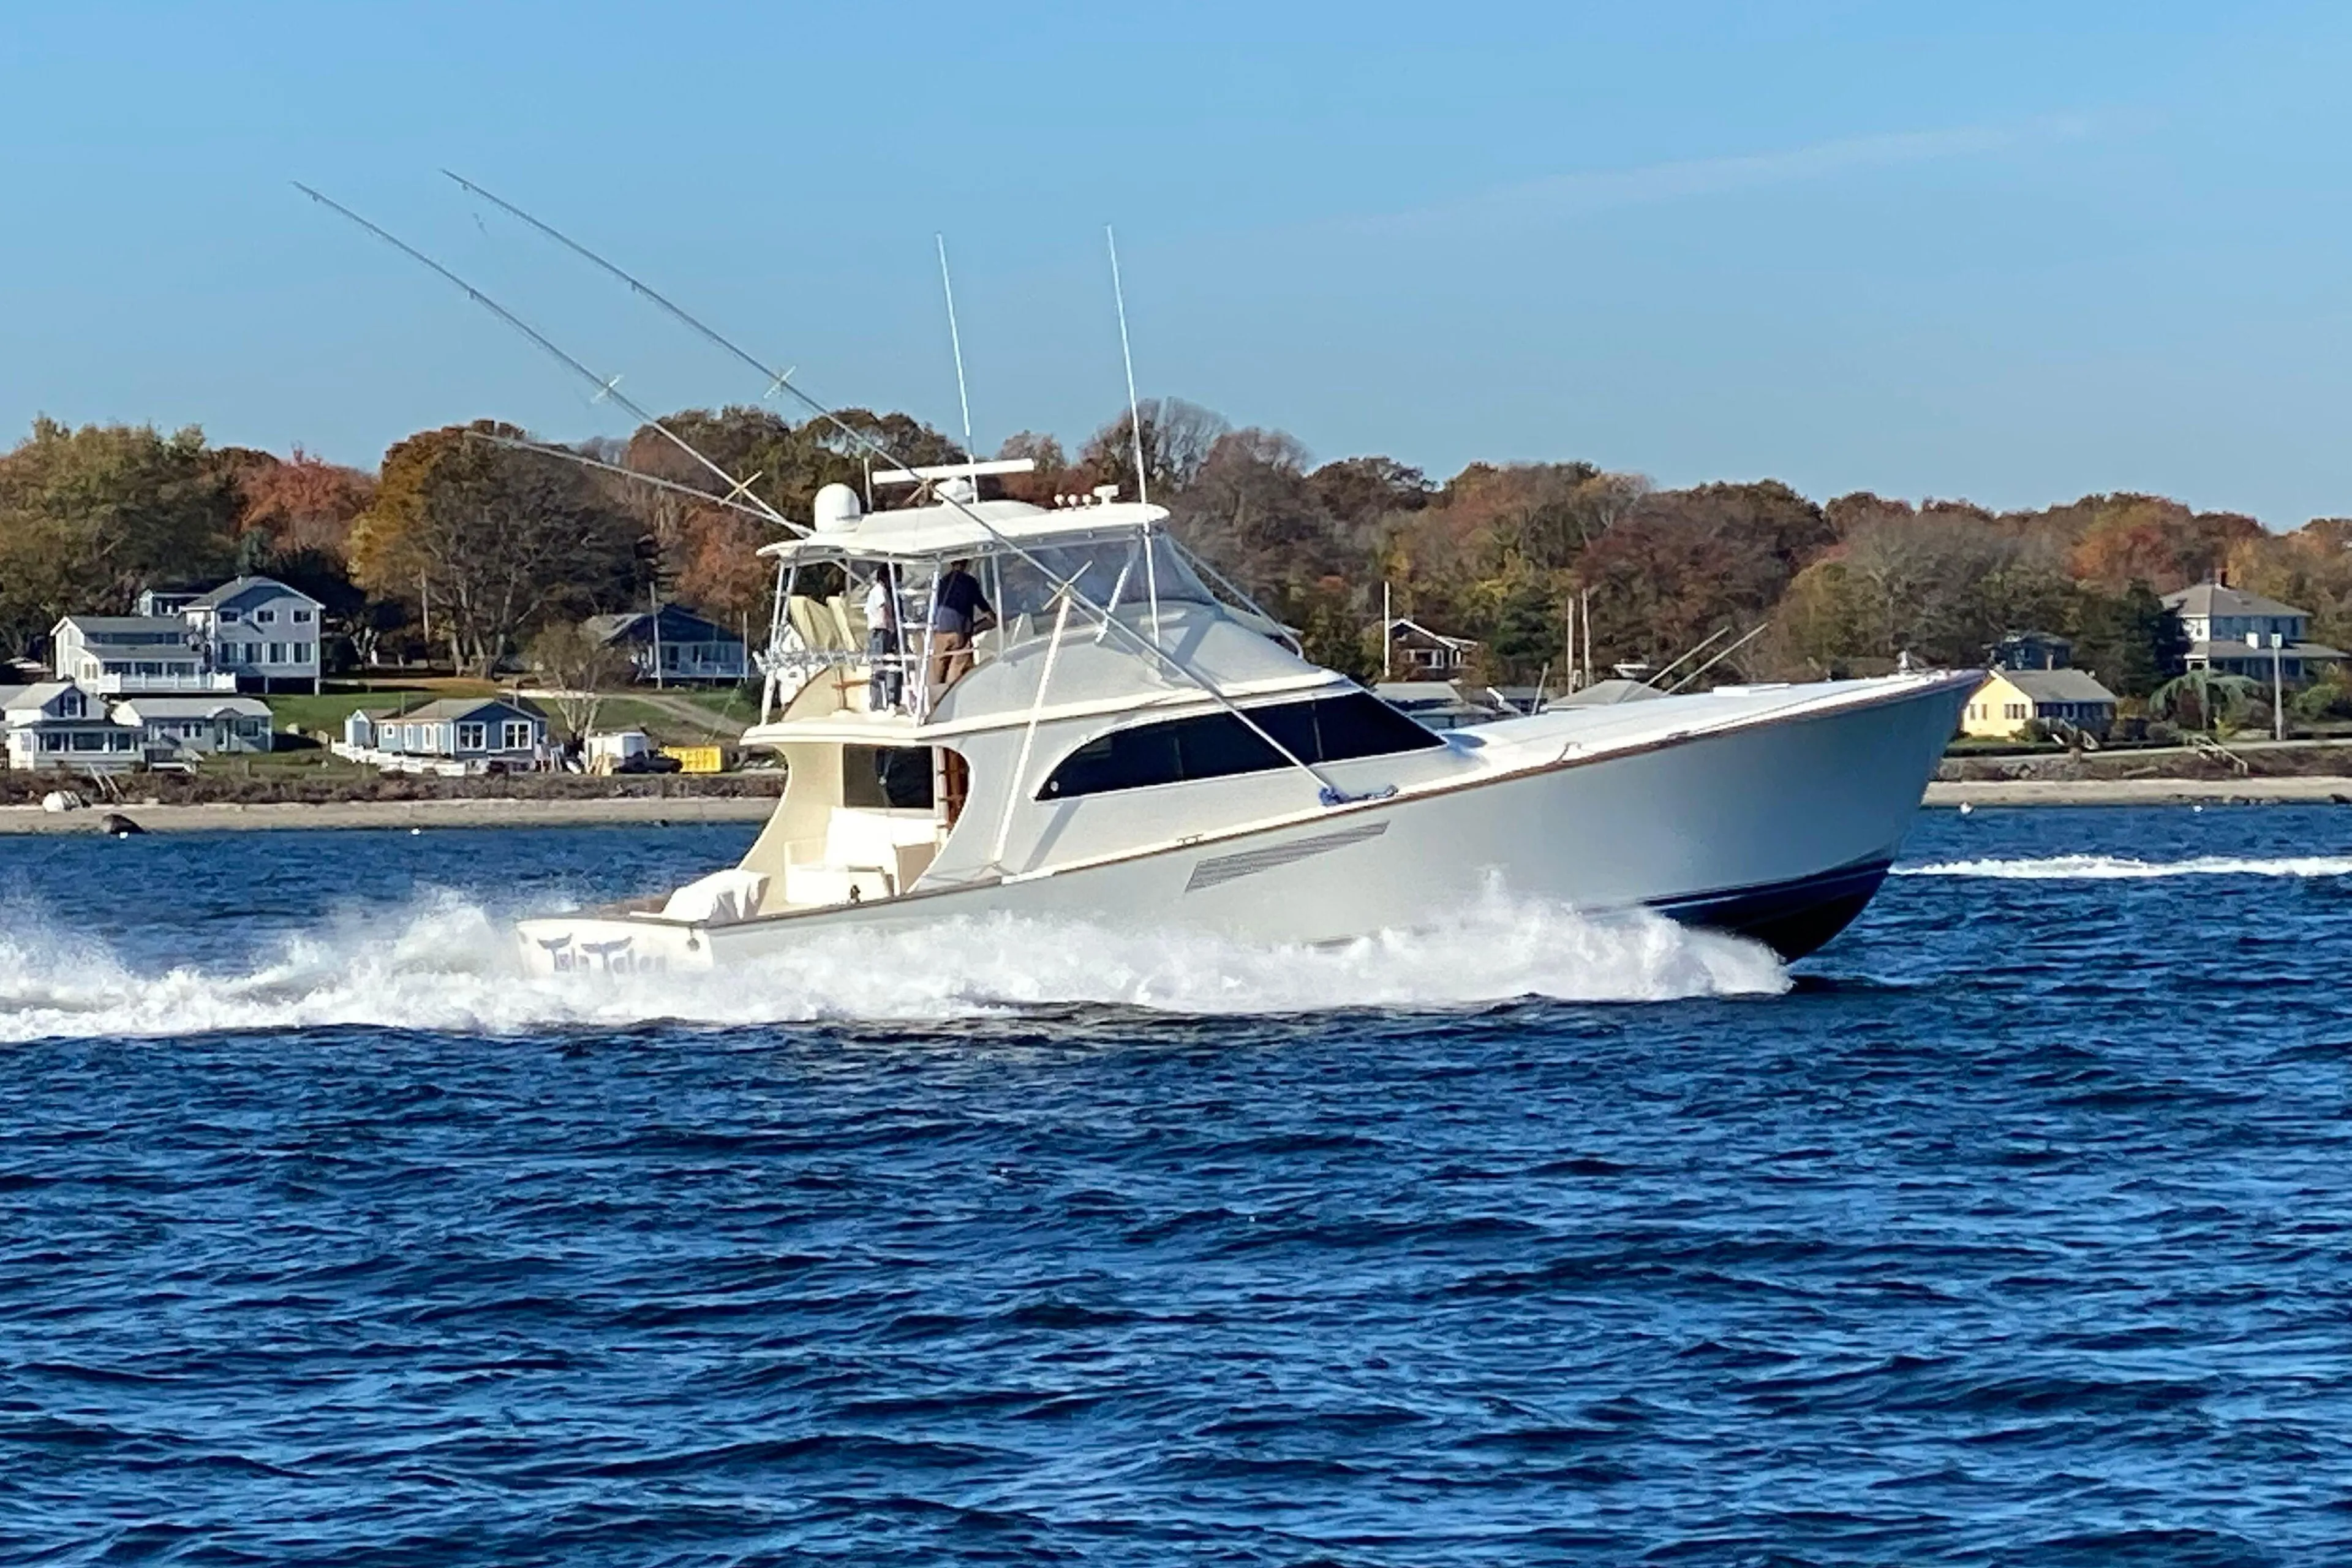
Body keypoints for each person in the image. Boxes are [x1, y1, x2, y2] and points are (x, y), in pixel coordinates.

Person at [928, 558, 993, 695]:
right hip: (960, 629)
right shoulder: (969, 582)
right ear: (966, 564)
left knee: (938, 666)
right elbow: (981, 604)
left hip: (940, 629)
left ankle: (937, 698)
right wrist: (993, 617)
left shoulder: (942, 582)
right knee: (959, 666)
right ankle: (955, 695)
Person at [863, 564, 902, 711]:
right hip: (880, 632)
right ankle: (877, 705)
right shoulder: (879, 591)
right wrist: (891, 627)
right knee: (879, 667)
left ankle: (891, 701)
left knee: (889, 664)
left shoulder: (882, 591)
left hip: (882, 631)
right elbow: (882, 610)